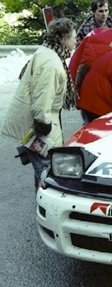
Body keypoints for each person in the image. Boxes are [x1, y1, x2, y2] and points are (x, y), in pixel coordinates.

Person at [1, 18, 77, 189]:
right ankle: (45, 211)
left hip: (40, 123)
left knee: (43, 174)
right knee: (48, 178)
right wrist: (43, 124)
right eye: (73, 37)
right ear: (63, 39)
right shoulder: (51, 63)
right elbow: (43, 96)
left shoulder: (47, 52)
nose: (76, 41)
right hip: (42, 129)